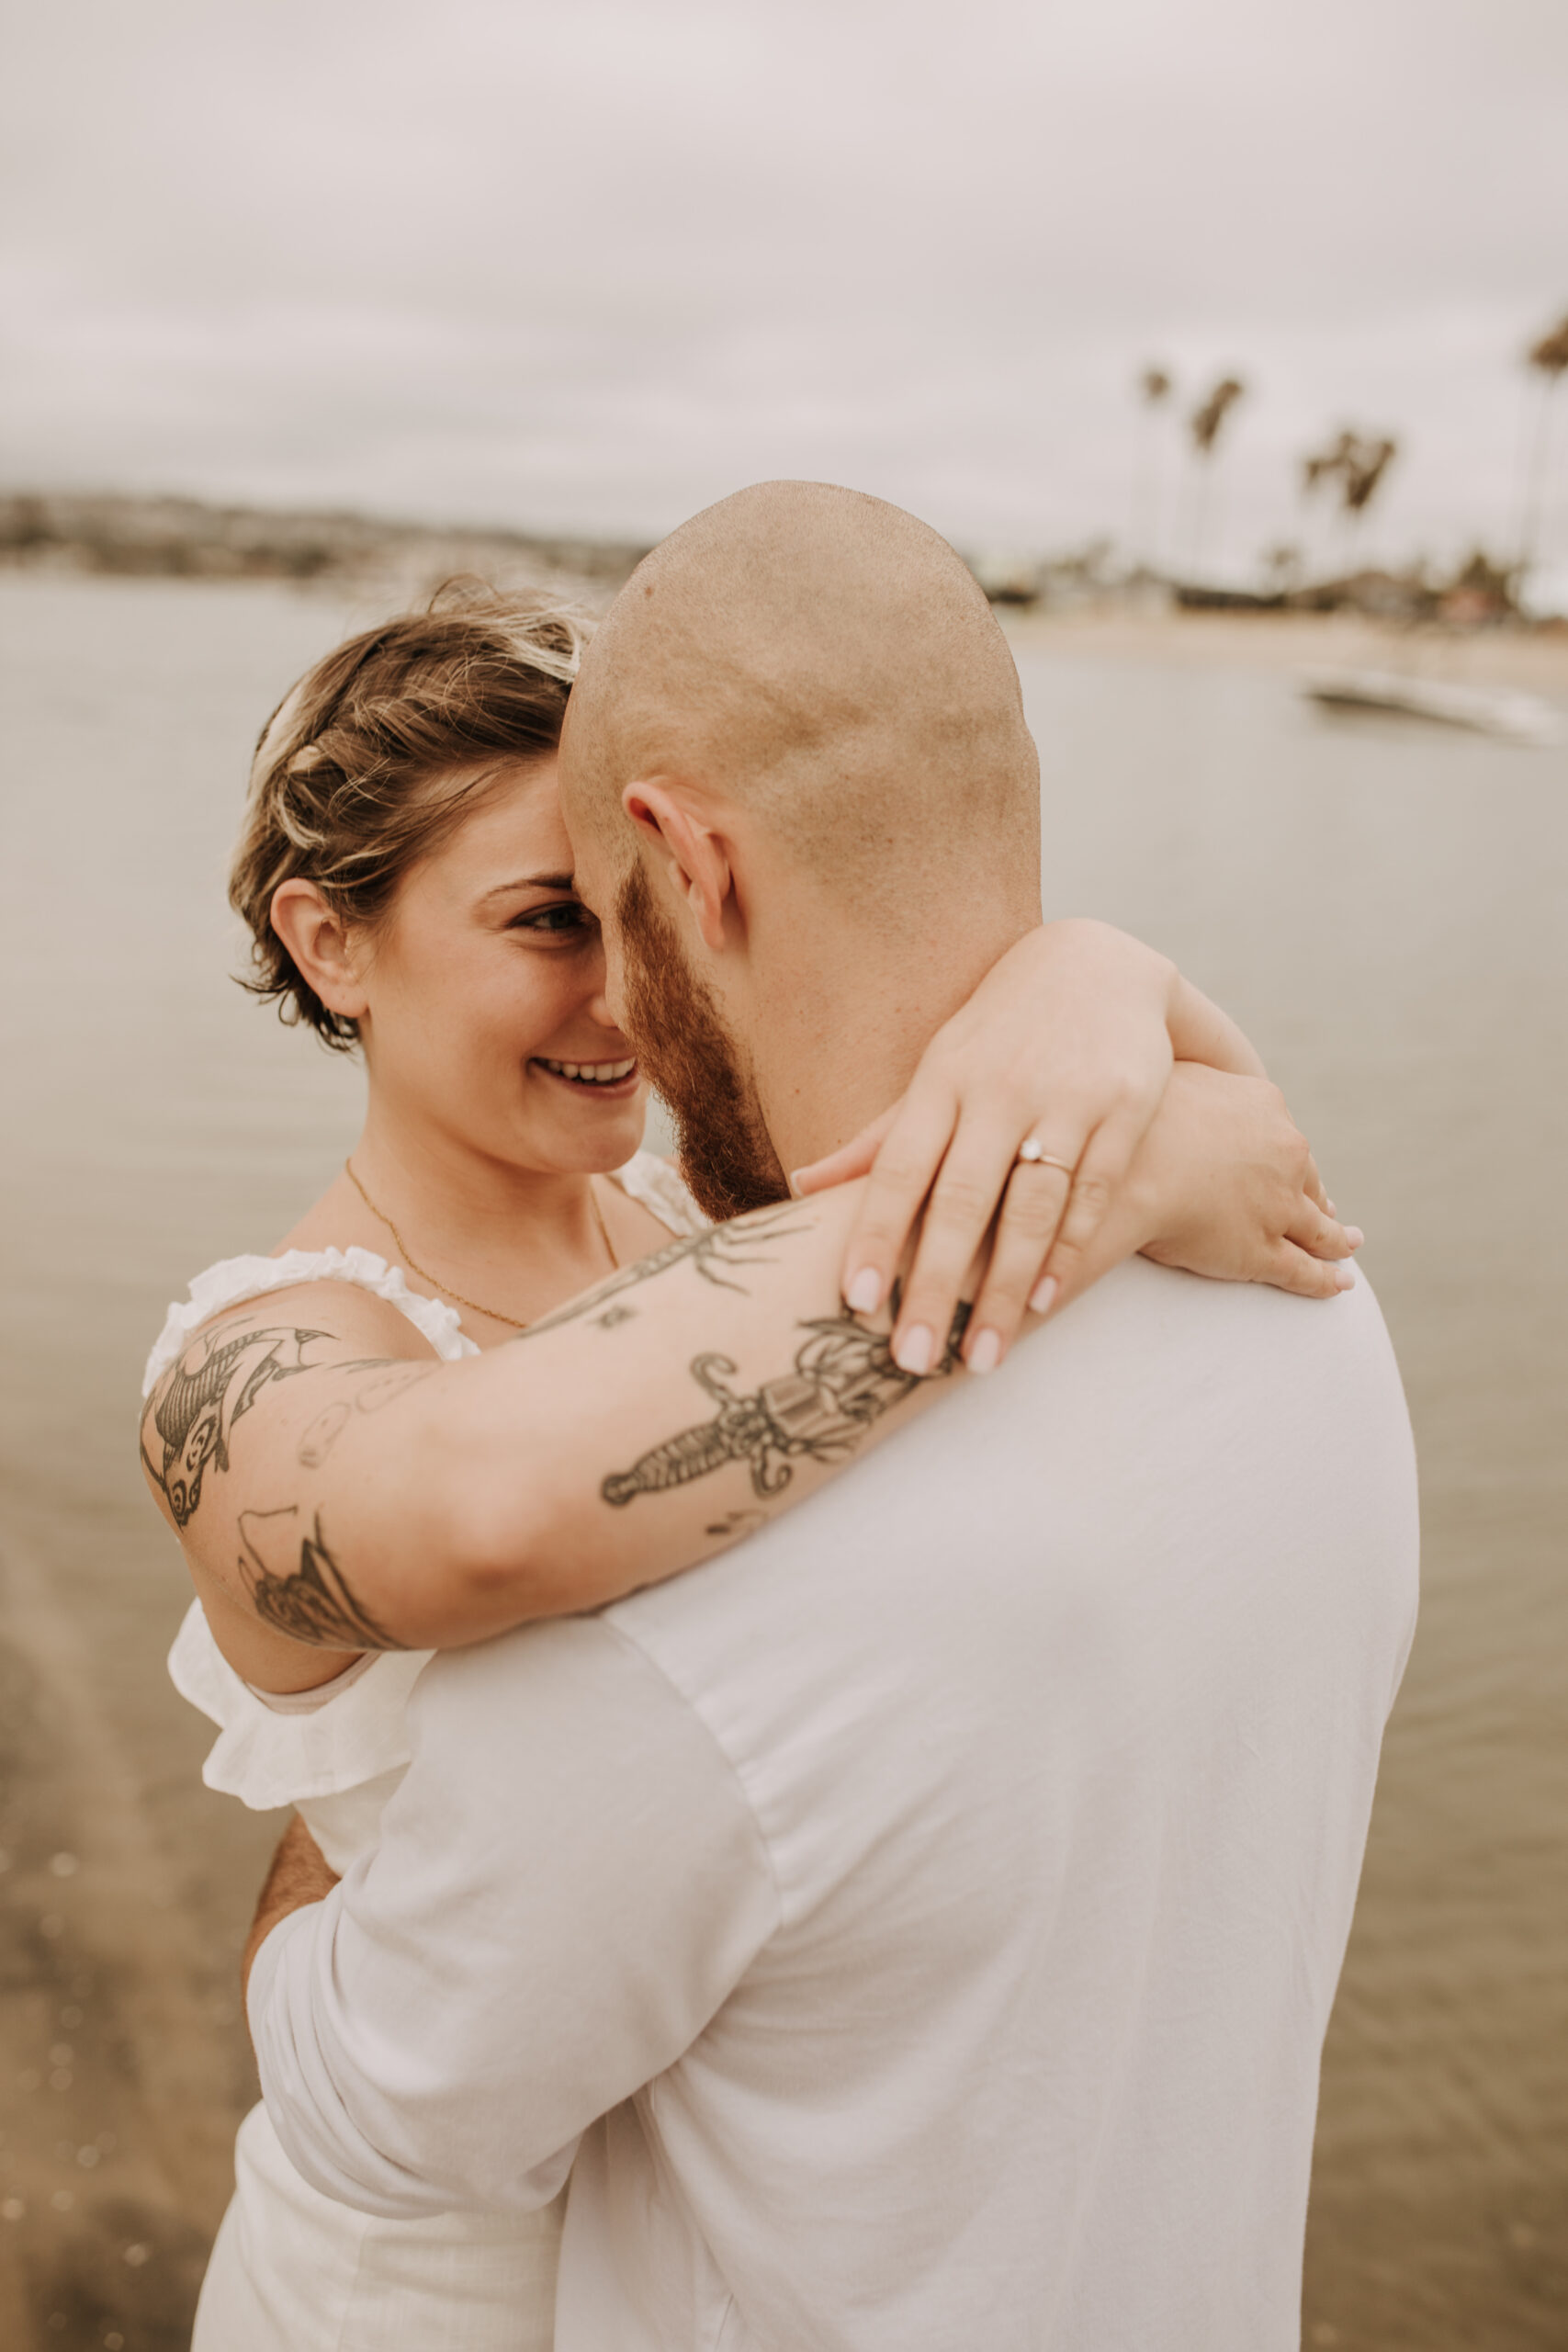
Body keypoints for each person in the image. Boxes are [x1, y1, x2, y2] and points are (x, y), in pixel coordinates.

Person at [146, 567, 1369, 2350]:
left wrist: (1089, 979)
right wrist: (1118, 1173)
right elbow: (471, 1511)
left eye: (632, 906)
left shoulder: (691, 1205)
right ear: (332, 940)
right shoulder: (253, 1350)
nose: (627, 986)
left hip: (732, 2211)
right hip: (427, 2273)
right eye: (546, 919)